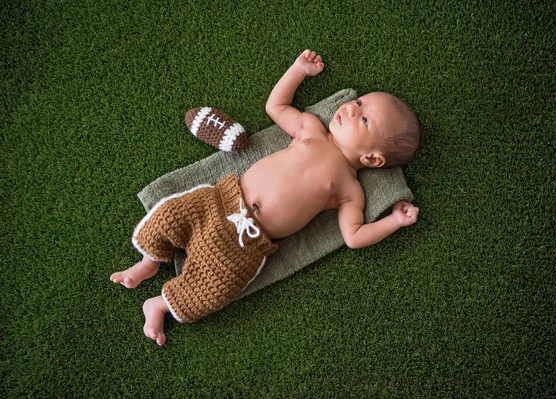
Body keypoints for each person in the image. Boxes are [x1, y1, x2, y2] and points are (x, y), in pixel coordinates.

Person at [110, 50, 421, 345]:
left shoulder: (350, 191)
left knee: (215, 287)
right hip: (220, 200)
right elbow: (276, 107)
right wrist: (298, 71)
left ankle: (160, 304)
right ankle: (149, 261)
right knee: (169, 216)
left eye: (364, 120)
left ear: (372, 159)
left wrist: (394, 220)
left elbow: (354, 236)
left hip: (247, 242)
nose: (353, 107)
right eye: (362, 102)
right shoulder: (311, 129)